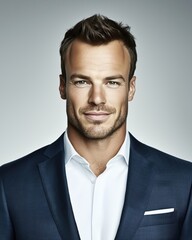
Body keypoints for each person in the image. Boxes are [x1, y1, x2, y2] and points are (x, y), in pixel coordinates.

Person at [0, 14, 192, 240]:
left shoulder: (184, 182)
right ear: (63, 87)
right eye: (82, 81)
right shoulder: (9, 185)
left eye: (112, 82)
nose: (97, 98)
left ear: (131, 88)